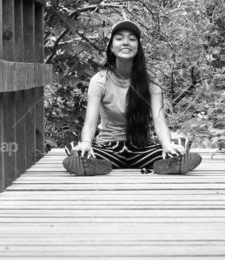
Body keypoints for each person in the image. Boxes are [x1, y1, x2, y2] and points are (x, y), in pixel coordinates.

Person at [63, 20, 202, 176]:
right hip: (109, 149)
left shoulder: (151, 84)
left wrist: (167, 145)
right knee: (75, 146)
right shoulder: (100, 80)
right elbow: (90, 123)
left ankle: (166, 163)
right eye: (119, 38)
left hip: (142, 149)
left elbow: (160, 122)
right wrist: (87, 143)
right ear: (111, 46)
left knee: (180, 144)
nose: (125, 43)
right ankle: (96, 164)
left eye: (131, 39)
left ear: (138, 46)